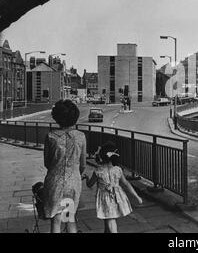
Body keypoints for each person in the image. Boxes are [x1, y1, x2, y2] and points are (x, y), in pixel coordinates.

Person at [43, 99, 86, 233]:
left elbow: (47, 163)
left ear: (57, 117)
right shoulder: (80, 136)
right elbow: (83, 164)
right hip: (73, 181)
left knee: (56, 218)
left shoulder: (50, 137)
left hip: (54, 181)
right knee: (68, 217)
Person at [83, 141, 143, 233]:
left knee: (109, 219)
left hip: (105, 198)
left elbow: (90, 184)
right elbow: (126, 183)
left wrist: (87, 178)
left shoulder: (98, 171)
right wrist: (136, 196)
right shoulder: (118, 170)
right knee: (108, 218)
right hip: (117, 197)